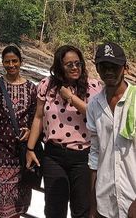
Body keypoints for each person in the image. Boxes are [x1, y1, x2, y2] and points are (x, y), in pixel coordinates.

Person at [26, 45, 101, 218]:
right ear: (60, 66)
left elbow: (95, 116)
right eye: (69, 64)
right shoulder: (47, 85)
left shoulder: (92, 86)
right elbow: (38, 117)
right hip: (53, 155)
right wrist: (30, 149)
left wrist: (70, 98)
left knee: (81, 208)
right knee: (54, 208)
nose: (75, 68)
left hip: (83, 157)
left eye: (78, 63)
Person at [0, 45, 37, 218]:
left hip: (22, 155)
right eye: (7, 62)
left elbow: (35, 117)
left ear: (21, 62)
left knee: (18, 205)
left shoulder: (31, 88)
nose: (11, 65)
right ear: (3, 63)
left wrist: (29, 131)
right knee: (0, 206)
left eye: (14, 61)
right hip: (0, 153)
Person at [87, 42, 136, 218]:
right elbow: (95, 154)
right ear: (97, 69)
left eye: (114, 66)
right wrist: (93, 206)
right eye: (104, 66)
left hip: (132, 195)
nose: (109, 71)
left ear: (125, 67)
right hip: (105, 199)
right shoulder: (94, 105)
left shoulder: (135, 100)